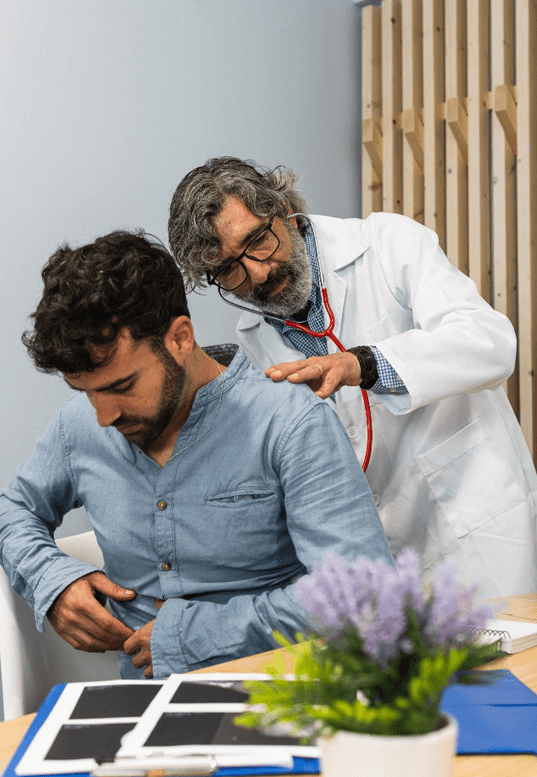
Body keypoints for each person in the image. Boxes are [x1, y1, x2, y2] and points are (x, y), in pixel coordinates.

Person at [0, 230, 392, 680]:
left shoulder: (290, 423)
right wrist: (52, 581)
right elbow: (14, 509)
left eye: (122, 386)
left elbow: (360, 594)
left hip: (278, 696)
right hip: (141, 707)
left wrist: (194, 636)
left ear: (181, 339)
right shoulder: (77, 427)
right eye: (86, 392)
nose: (104, 416)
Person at [168, 156, 537, 598]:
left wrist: (362, 364)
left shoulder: (386, 245)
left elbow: (490, 343)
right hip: (387, 565)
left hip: (482, 531)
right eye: (230, 269)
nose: (259, 273)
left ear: (283, 209)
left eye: (259, 241)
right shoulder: (252, 342)